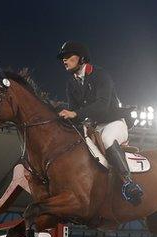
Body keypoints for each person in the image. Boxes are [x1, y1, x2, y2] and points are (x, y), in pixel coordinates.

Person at [56, 41, 143, 205]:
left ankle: (129, 183)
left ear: (81, 59)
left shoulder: (101, 75)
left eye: (68, 57)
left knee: (107, 139)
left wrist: (75, 113)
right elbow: (75, 113)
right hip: (94, 127)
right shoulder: (71, 83)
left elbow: (102, 105)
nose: (64, 60)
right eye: (63, 58)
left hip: (115, 122)